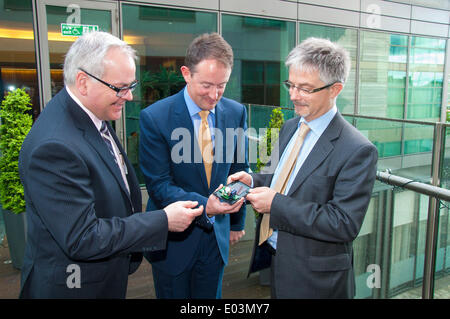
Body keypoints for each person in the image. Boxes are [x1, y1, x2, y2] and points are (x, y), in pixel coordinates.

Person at [18, 31, 203, 299]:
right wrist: (163, 220)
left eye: (131, 85)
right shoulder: (55, 147)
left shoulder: (90, 114)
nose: (128, 97)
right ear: (83, 82)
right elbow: (83, 238)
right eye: (120, 87)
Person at [228, 37, 378, 298]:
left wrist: (276, 204)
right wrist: (253, 180)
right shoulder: (290, 127)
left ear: (335, 89)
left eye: (305, 88)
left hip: (316, 281)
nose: (293, 95)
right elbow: (279, 178)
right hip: (277, 260)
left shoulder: (358, 149)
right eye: (291, 85)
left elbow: (343, 223)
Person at [139, 33, 249, 299]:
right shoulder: (155, 118)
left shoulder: (236, 113)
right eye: (207, 85)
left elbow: (238, 170)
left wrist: (235, 222)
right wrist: (206, 206)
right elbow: (159, 185)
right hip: (173, 244)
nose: (214, 95)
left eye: (222, 85)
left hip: (217, 239)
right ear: (186, 73)